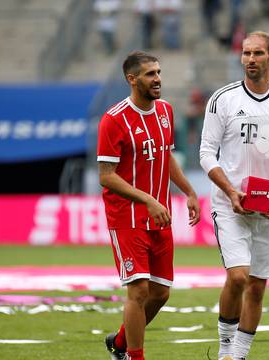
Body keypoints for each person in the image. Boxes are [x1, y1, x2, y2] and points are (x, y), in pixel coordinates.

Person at [199, 31, 269, 360]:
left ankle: (239, 356)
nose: (250, 59)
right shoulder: (223, 100)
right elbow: (205, 154)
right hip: (229, 204)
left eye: (258, 53)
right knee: (238, 276)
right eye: (246, 53)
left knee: (257, 286)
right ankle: (225, 348)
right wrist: (229, 190)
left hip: (268, 206)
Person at [98, 51, 201, 360]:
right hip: (127, 216)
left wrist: (189, 191)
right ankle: (134, 356)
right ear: (132, 80)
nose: (157, 79)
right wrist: (147, 199)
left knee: (161, 293)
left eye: (158, 72)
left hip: (160, 216)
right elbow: (106, 176)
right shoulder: (114, 120)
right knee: (139, 290)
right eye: (149, 74)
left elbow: (166, 156)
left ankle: (119, 342)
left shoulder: (166, 111)